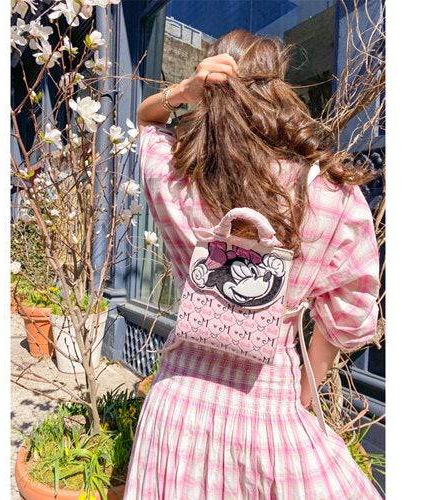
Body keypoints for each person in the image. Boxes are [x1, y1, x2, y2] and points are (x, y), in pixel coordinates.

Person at [123, 28, 382, 500]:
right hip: (269, 415)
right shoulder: (331, 195)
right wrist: (304, 395)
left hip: (176, 410)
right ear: (278, 88)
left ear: (212, 89)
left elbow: (145, 120)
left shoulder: (177, 179)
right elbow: (347, 318)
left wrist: (183, 92)